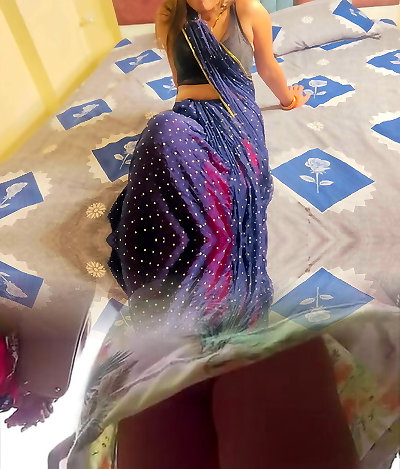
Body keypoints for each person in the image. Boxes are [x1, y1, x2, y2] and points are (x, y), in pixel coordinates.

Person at [61, 0, 365, 468]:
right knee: (163, 130)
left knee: (226, 193)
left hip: (236, 115)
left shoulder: (250, 11)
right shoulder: (171, 16)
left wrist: (288, 99)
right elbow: (178, 80)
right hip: (188, 115)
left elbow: (266, 65)